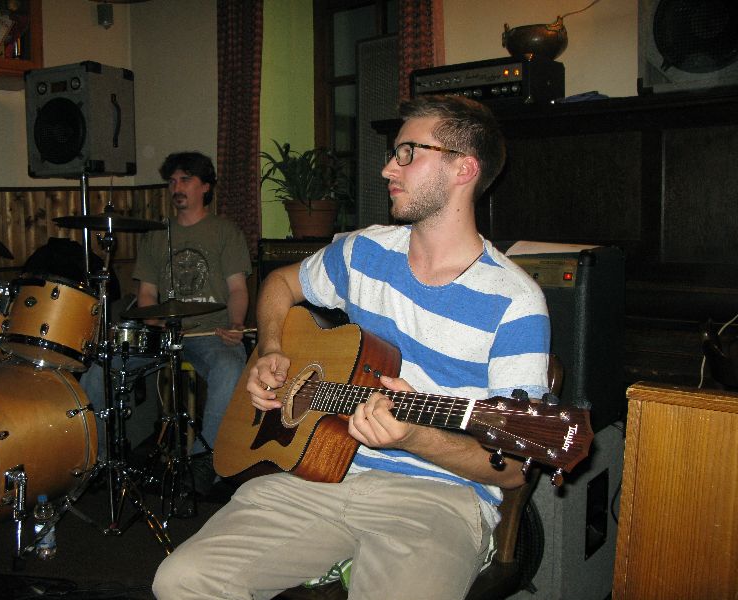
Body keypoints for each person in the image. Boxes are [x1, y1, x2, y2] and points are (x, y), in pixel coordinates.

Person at [152, 96, 550, 599]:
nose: (388, 168)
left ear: (463, 168)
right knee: (180, 581)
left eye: (407, 152)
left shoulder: (515, 302)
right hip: (317, 475)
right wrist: (270, 349)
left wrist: (414, 438)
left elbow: (513, 468)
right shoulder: (365, 251)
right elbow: (279, 284)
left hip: (438, 498)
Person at [82, 151, 251, 495]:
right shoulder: (156, 235)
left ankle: (204, 461)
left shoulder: (225, 232)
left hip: (211, 333)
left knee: (231, 368)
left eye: (185, 180)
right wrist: (155, 321)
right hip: (161, 334)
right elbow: (146, 294)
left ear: (205, 187)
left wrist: (235, 324)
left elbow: (237, 289)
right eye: (172, 181)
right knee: (99, 370)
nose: (177, 187)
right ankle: (98, 459)